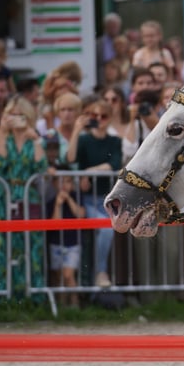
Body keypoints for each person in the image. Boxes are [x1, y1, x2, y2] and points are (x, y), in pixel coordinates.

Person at [0, 95, 48, 299]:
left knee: (32, 245)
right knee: (1, 245)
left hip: (29, 197)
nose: (17, 118)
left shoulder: (34, 139)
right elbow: (0, 163)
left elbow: (41, 167)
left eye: (21, 114)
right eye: (12, 114)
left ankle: (32, 296)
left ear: (29, 116)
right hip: (5, 197)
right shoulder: (1, 137)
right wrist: (2, 132)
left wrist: (36, 140)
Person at [67, 98, 122, 288]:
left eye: (103, 116)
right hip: (87, 200)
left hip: (106, 199)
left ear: (109, 118)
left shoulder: (114, 141)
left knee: (106, 231)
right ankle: (100, 273)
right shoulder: (84, 140)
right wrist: (76, 130)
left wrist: (89, 171)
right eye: (94, 115)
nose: (98, 119)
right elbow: (70, 158)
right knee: (105, 231)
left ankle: (100, 273)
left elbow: (113, 165)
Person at [46, 172, 86, 308]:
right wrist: (58, 205)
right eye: (61, 182)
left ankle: (75, 305)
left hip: (73, 244)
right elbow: (54, 225)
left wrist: (68, 199)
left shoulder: (76, 197)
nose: (64, 185)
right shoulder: (51, 202)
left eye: (68, 182)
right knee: (59, 278)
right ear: (54, 184)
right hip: (56, 244)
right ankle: (63, 308)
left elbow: (81, 215)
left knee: (68, 275)